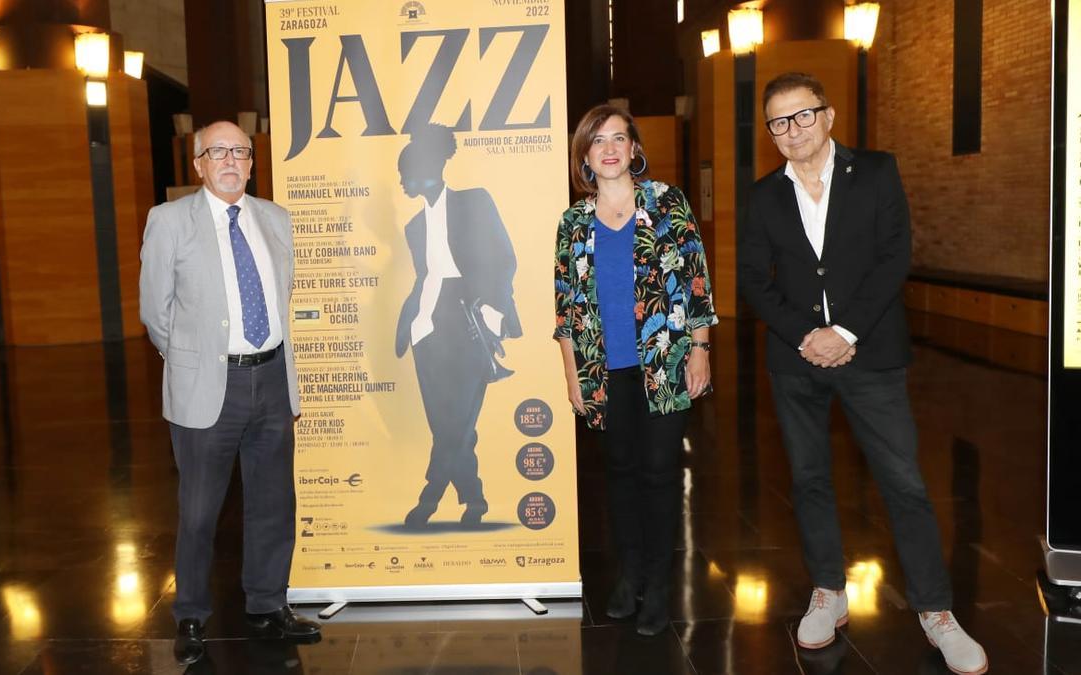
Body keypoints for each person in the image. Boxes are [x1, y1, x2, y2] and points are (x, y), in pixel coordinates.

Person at [738, 72, 987, 674]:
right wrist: (807, 335)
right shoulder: (763, 194)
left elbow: (892, 255)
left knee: (903, 482)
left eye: (801, 116)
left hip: (869, 353)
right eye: (778, 122)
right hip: (795, 361)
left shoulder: (876, 172)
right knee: (809, 480)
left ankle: (936, 612)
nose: (791, 130)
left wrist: (843, 332)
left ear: (827, 116)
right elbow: (753, 280)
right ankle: (829, 591)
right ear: (770, 133)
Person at [139, 121, 320, 665]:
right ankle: (191, 613)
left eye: (241, 152)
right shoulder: (169, 221)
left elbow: (280, 298)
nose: (231, 161)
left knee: (272, 502)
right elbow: (155, 311)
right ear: (197, 163)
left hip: (271, 377)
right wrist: (194, 361)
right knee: (199, 509)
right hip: (207, 386)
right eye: (218, 152)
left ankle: (267, 605)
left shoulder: (275, 219)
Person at [553, 104, 716, 636]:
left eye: (618, 138)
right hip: (604, 371)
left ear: (634, 149)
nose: (609, 148)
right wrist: (573, 375)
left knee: (660, 474)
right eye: (597, 140)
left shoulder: (667, 202)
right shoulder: (574, 221)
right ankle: (628, 577)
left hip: (665, 365)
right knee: (619, 476)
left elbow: (695, 278)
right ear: (585, 155)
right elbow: (567, 307)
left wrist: (700, 348)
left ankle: (659, 584)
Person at [395, 123, 522, 529]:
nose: (402, 182)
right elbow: (424, 277)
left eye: (406, 174)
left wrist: (491, 313)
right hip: (427, 329)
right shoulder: (413, 227)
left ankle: (429, 499)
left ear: (428, 167)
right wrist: (413, 322)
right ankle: (475, 499)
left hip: (470, 321)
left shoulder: (474, 202)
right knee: (447, 424)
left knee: (458, 421)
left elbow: (504, 258)